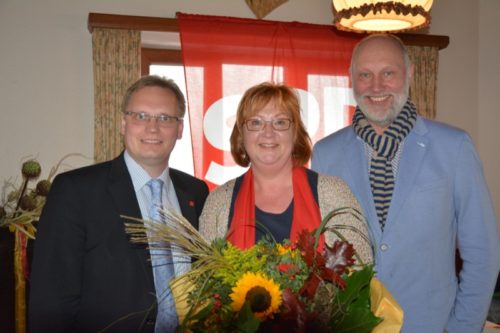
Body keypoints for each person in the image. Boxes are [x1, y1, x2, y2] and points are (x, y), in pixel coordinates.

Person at [312, 33, 500, 333]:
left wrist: (462, 327)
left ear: (410, 74)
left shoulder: (455, 147)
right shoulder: (325, 153)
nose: (376, 86)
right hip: (353, 325)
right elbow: (321, 254)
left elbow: (483, 252)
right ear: (351, 80)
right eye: (365, 75)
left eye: (388, 73)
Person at [29, 75, 209, 333]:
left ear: (179, 129)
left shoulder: (196, 192)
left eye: (165, 118)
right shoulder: (75, 191)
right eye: (141, 116)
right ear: (123, 124)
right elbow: (51, 299)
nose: (153, 128)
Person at [199, 82, 373, 266]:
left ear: (295, 133)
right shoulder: (218, 204)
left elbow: (360, 273)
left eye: (280, 122)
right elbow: (206, 284)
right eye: (256, 122)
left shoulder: (334, 192)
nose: (268, 133)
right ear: (241, 134)